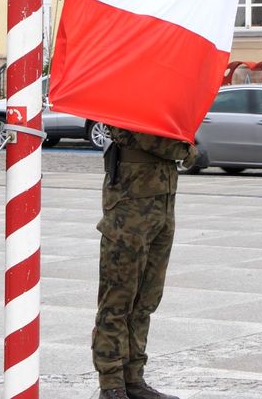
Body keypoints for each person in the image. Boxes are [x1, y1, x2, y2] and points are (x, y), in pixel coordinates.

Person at [93, 127, 199, 399]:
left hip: (162, 206)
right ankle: (112, 383)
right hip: (129, 208)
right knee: (118, 299)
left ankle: (133, 378)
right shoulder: (126, 96)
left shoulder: (164, 101)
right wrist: (185, 149)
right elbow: (150, 138)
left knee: (146, 299)